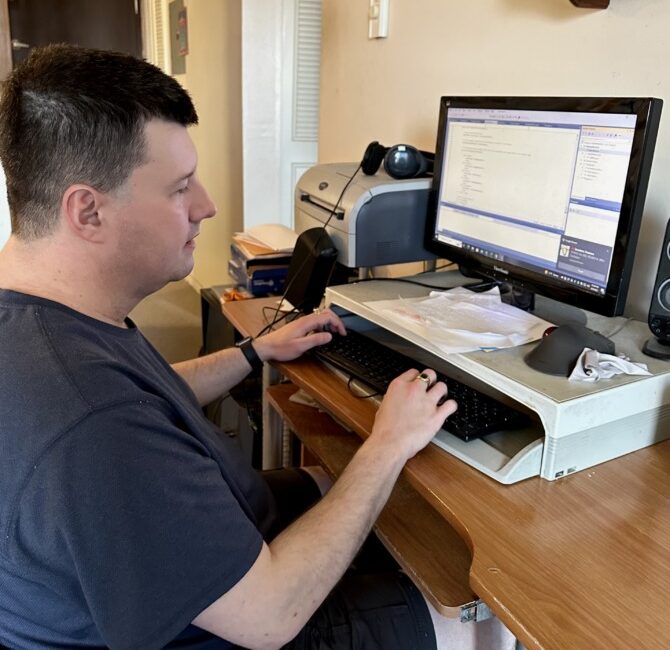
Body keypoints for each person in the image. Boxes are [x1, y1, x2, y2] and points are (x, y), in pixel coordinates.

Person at [0, 45, 514, 650]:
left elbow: (148, 398)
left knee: (365, 493)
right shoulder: (92, 418)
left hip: (194, 564)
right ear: (88, 211)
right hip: (240, 622)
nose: (206, 206)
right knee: (492, 618)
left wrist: (254, 353)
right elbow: (268, 618)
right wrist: (389, 442)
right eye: (180, 188)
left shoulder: (50, 324)